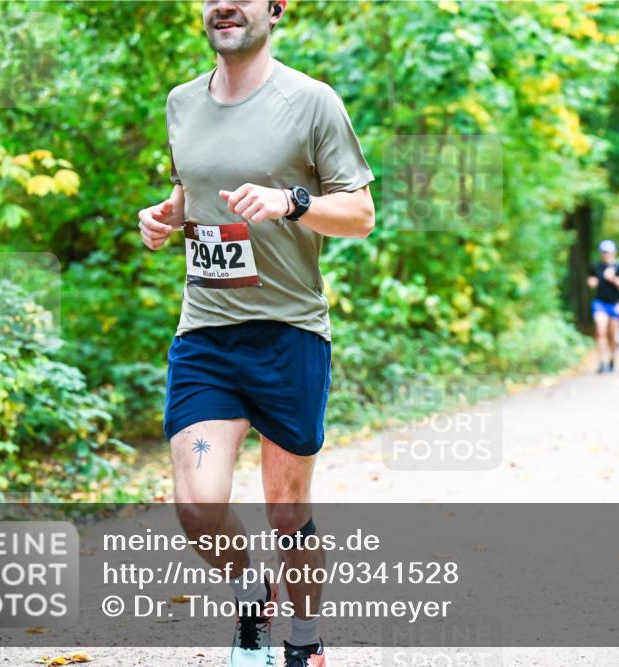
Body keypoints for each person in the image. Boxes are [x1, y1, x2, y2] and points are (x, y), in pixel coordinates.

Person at [137, 1, 375, 664]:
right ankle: (252, 597)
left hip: (289, 332)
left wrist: (290, 202)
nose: (223, 4)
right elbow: (193, 192)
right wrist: (166, 216)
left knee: (286, 514)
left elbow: (360, 213)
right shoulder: (181, 103)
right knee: (197, 507)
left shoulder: (311, 102)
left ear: (277, 7)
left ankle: (304, 639)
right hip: (207, 335)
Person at [587, 240, 619, 374]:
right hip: (600, 303)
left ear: (614, 252)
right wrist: (592, 282)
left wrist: (613, 279)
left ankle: (612, 360)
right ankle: (601, 362)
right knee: (601, 330)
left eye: (609, 251)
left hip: (614, 304)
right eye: (604, 252)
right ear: (601, 253)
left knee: (613, 334)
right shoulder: (596, 266)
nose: (607, 254)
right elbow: (591, 281)